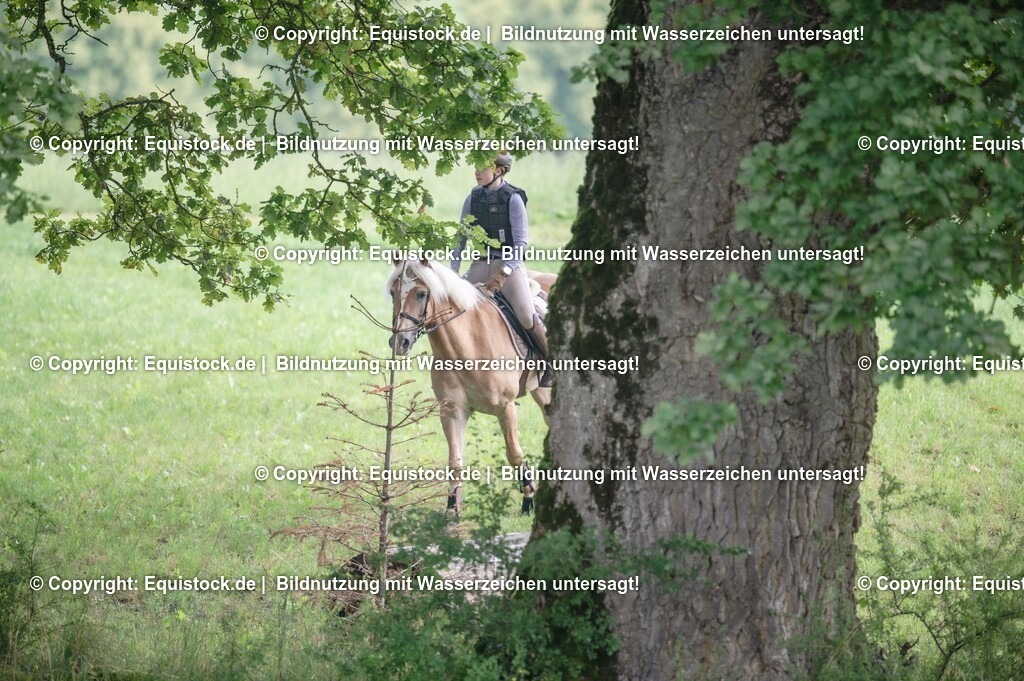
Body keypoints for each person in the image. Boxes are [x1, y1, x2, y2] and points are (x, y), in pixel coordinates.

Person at [452, 152, 553, 387]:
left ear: (498, 171)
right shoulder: (473, 198)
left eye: (482, 167)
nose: (476, 171)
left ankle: (551, 363)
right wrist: (453, 273)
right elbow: (460, 238)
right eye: (476, 166)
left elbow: (520, 244)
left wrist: (504, 272)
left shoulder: (513, 198)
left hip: (510, 266)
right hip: (480, 264)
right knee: (453, 307)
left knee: (527, 315)